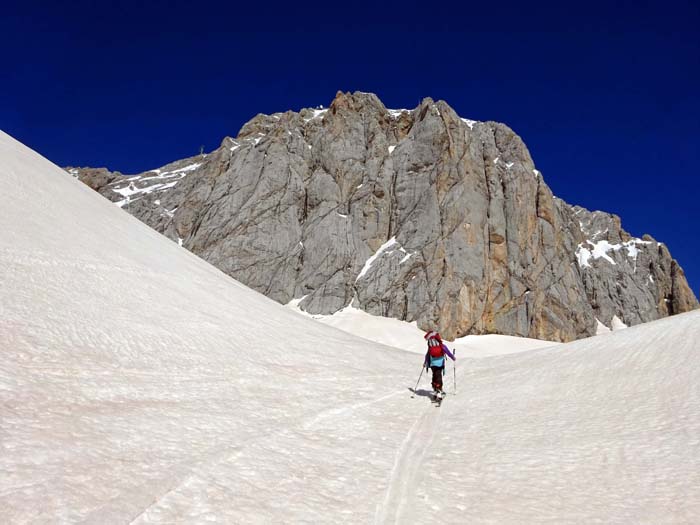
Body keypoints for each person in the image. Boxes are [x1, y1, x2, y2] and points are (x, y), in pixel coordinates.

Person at [424, 331, 455, 400]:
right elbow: (448, 352)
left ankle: (435, 389)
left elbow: (427, 355)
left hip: (432, 364)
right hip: (440, 364)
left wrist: (425, 363)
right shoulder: (442, 346)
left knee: (434, 375)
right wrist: (453, 357)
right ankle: (439, 390)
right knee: (438, 376)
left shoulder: (430, 347)